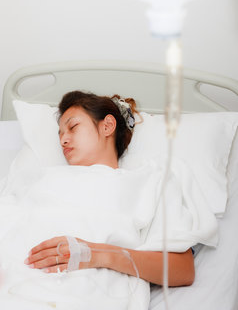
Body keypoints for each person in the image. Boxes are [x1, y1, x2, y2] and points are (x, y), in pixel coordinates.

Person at [24, 90, 195, 287]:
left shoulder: (149, 181)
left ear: (107, 126)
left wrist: (97, 254)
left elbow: (182, 270)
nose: (63, 140)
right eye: (60, 134)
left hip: (82, 289)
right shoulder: (40, 179)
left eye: (73, 127)